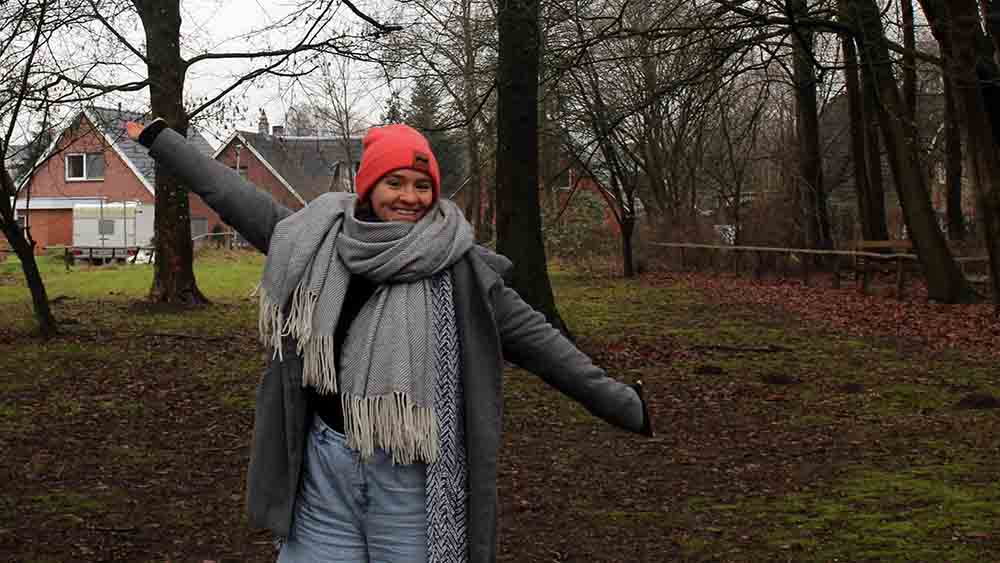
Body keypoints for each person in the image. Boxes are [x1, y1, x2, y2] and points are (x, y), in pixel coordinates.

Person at [126, 118, 652, 563]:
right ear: (370, 187)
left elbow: (544, 346)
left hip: (412, 482)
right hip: (323, 472)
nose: (410, 196)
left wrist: (625, 405)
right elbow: (231, 194)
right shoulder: (317, 242)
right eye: (395, 182)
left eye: (421, 186)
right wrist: (160, 139)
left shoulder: (464, 271)